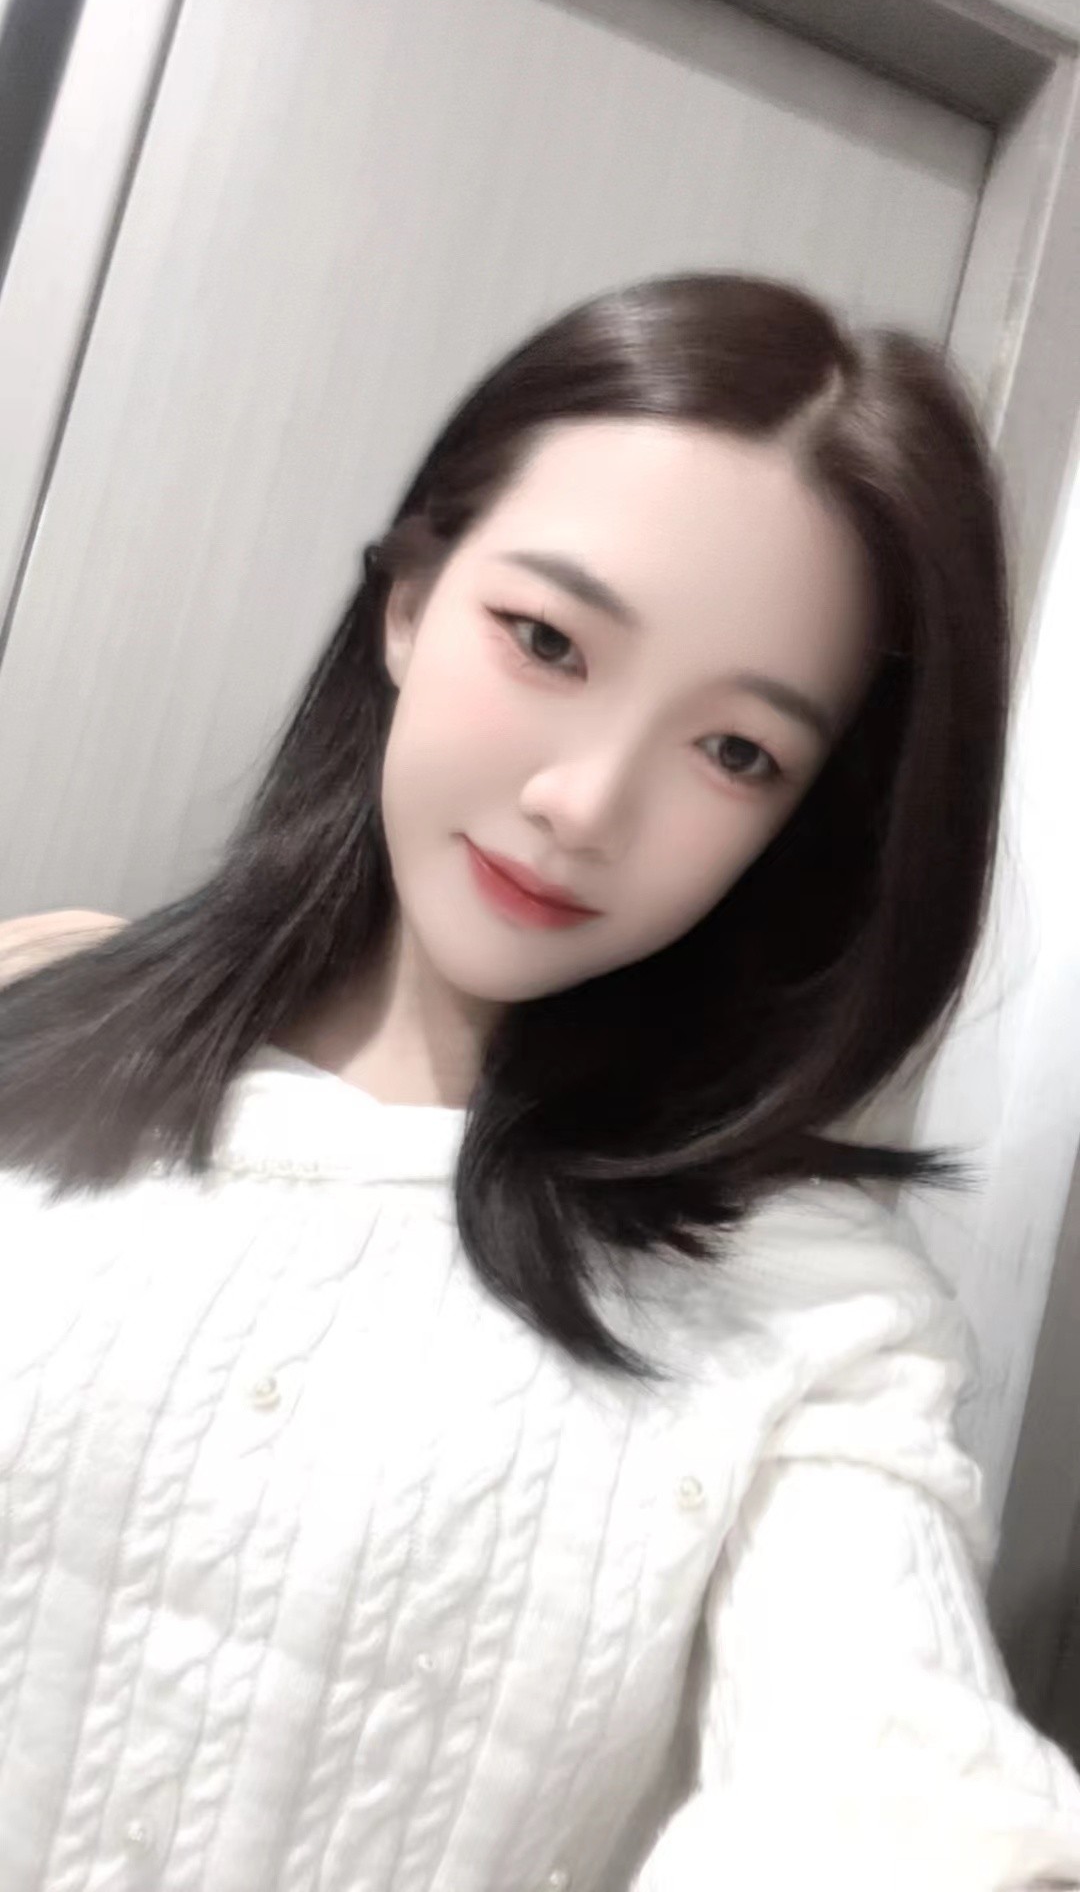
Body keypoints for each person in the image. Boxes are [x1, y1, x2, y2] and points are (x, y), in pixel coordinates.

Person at [0, 271, 1078, 1892]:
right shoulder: (33, 1019)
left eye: (737, 751)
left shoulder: (812, 1318)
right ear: (411, 601)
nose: (585, 802)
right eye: (549, 641)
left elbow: (901, 1795)